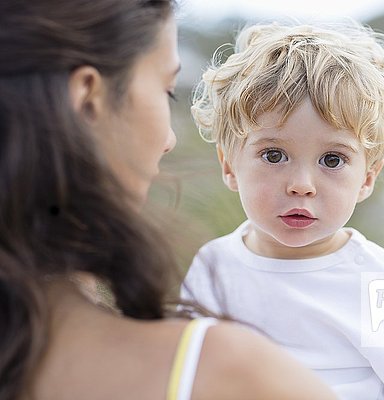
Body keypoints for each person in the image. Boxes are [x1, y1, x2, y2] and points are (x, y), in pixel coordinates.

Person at [0, 2, 338, 400]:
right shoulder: (228, 374)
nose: (169, 140)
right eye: (167, 91)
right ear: (88, 99)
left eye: (332, 160)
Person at [183, 20, 384, 399]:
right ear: (229, 165)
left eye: (332, 160)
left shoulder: (383, 288)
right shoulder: (211, 268)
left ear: (367, 177)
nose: (302, 184)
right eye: (274, 155)